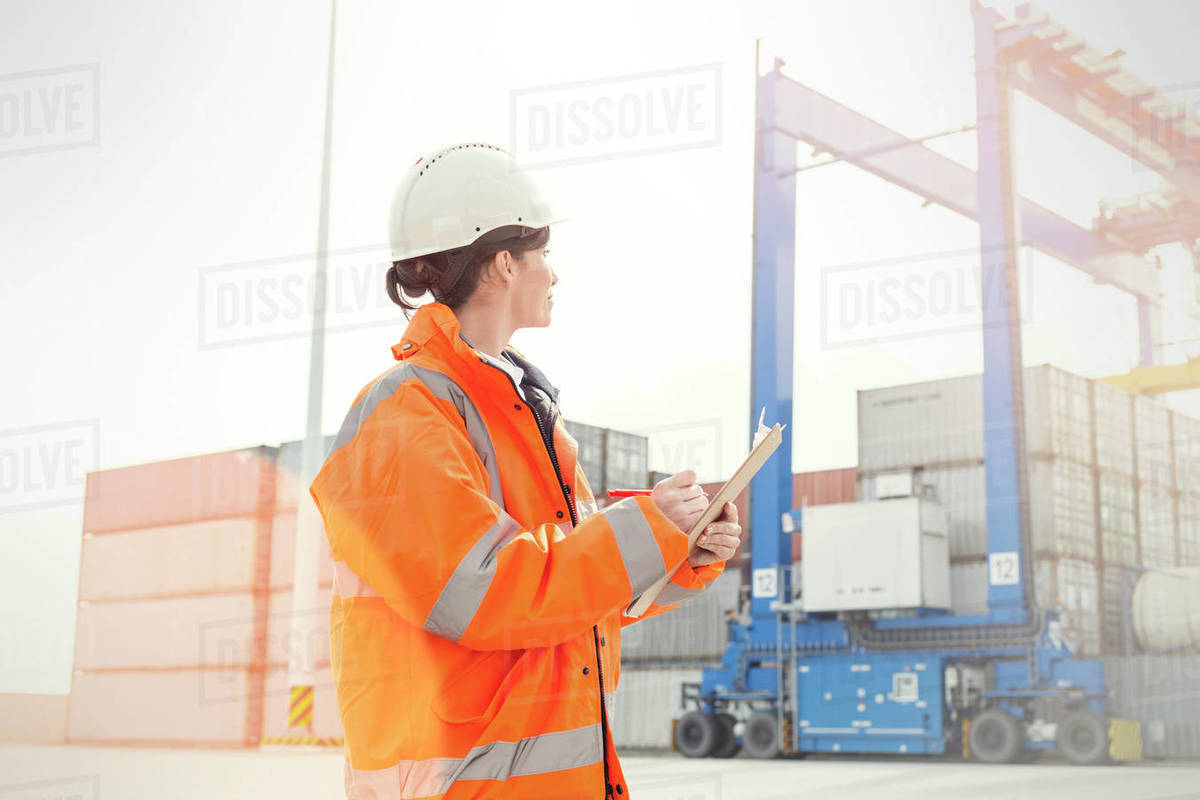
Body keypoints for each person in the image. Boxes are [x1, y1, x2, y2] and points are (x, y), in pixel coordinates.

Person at [309, 142, 742, 799]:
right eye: (543, 254)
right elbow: (487, 593)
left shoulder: (533, 418)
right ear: (504, 262)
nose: (554, 274)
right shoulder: (400, 417)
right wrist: (642, 528)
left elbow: (572, 600)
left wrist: (679, 548)